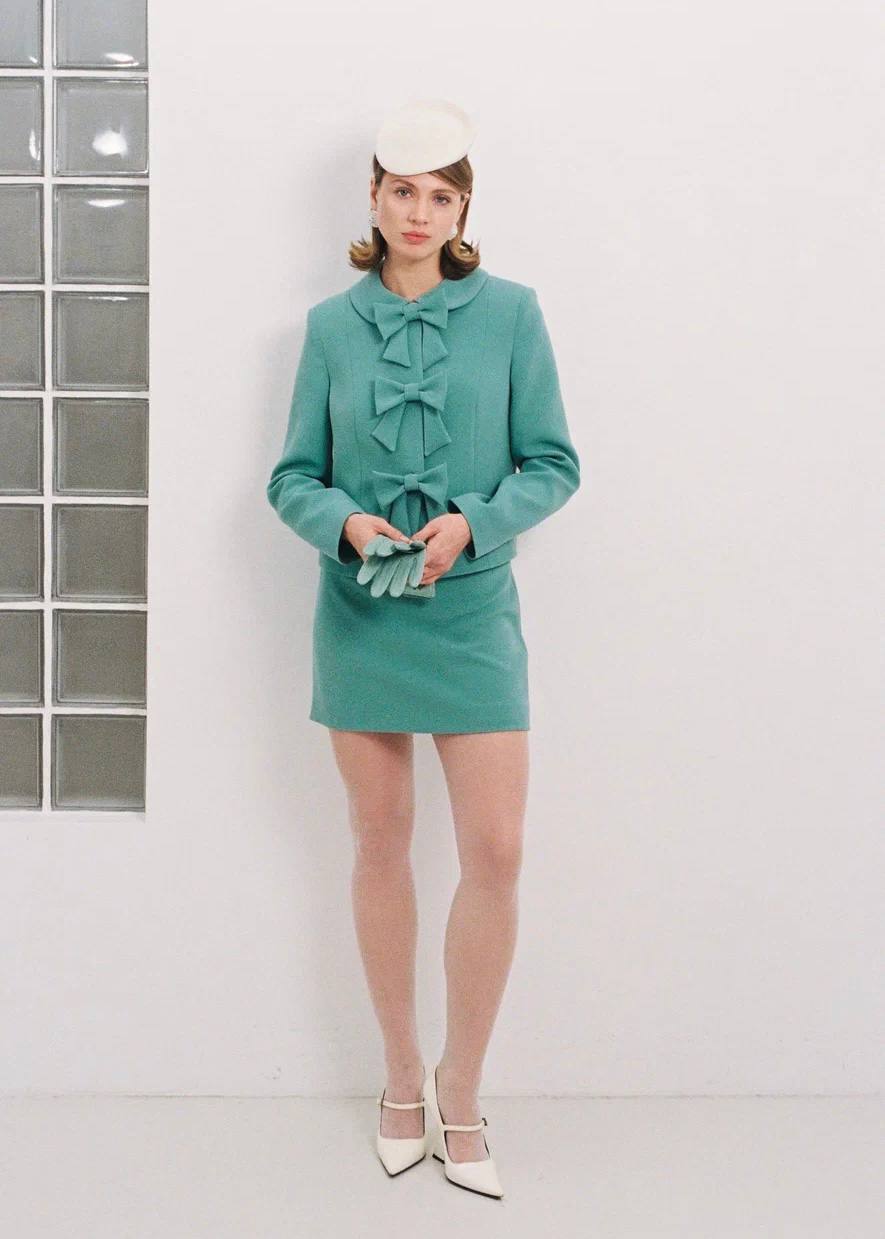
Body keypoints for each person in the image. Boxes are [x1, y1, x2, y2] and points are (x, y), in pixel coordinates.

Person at [266, 98, 581, 1199]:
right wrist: (347, 523)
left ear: (462, 209)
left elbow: (553, 462)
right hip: (361, 613)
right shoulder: (327, 328)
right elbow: (291, 477)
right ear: (373, 197)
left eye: (440, 196)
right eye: (401, 191)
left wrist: (471, 524)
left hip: (472, 614)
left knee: (496, 849)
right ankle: (399, 1077)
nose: (418, 212)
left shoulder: (513, 315)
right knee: (378, 840)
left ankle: (462, 1086)